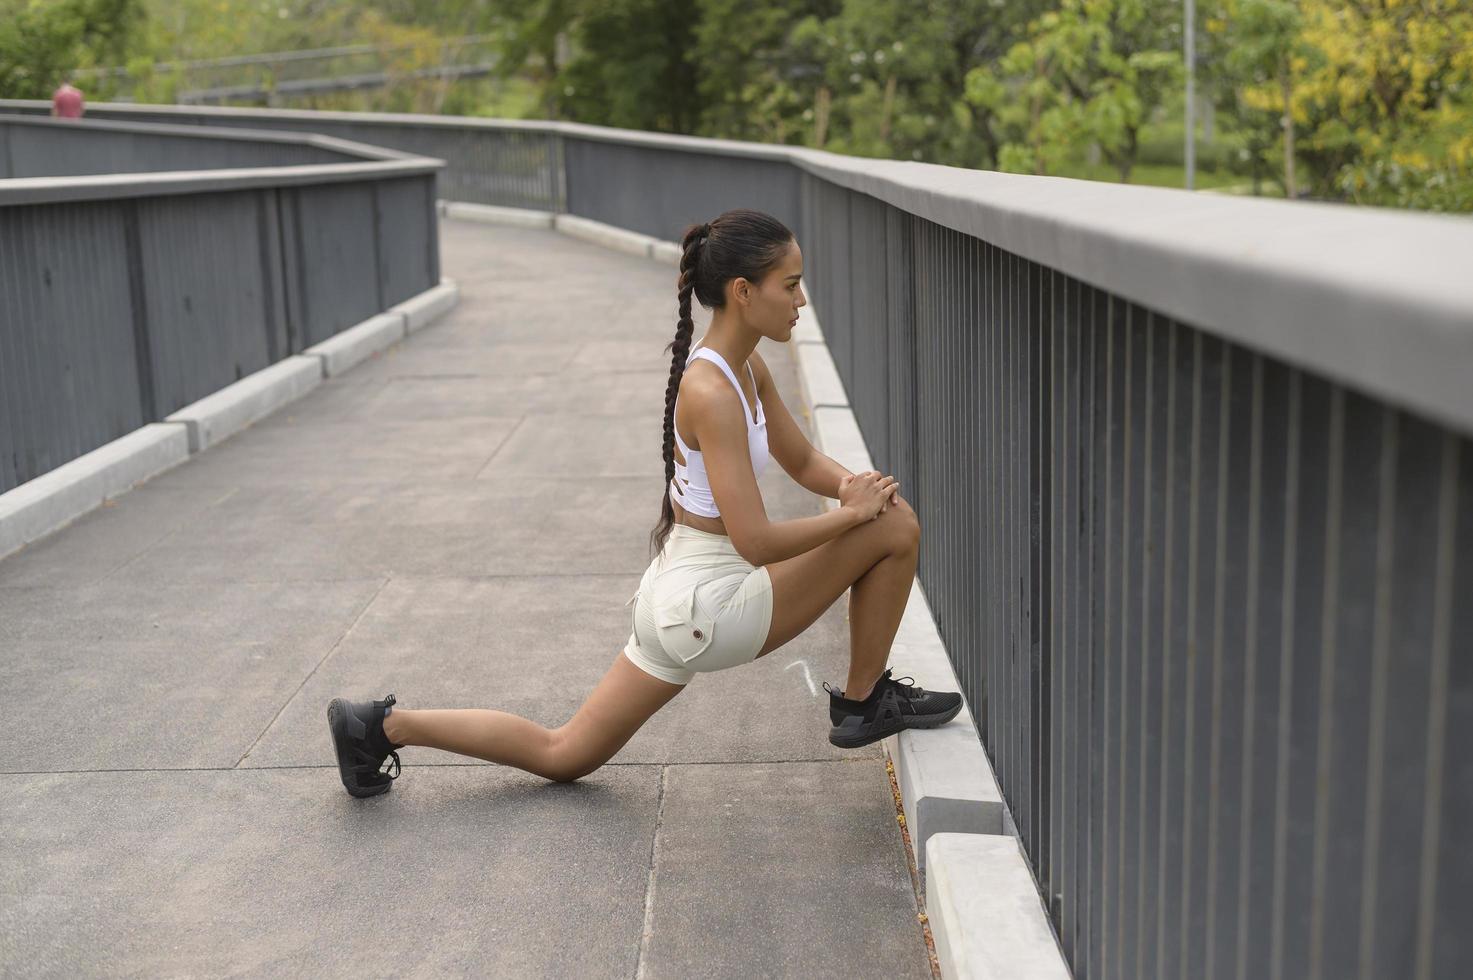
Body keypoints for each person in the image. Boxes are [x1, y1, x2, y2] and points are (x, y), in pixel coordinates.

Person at [327, 207, 962, 798]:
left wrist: (852, 486)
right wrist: (855, 517)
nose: (800, 300)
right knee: (894, 527)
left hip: (676, 595)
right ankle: (861, 702)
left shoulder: (746, 368)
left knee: (564, 753)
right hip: (711, 606)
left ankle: (380, 727)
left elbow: (801, 460)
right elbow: (757, 544)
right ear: (743, 291)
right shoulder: (712, 391)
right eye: (790, 285)